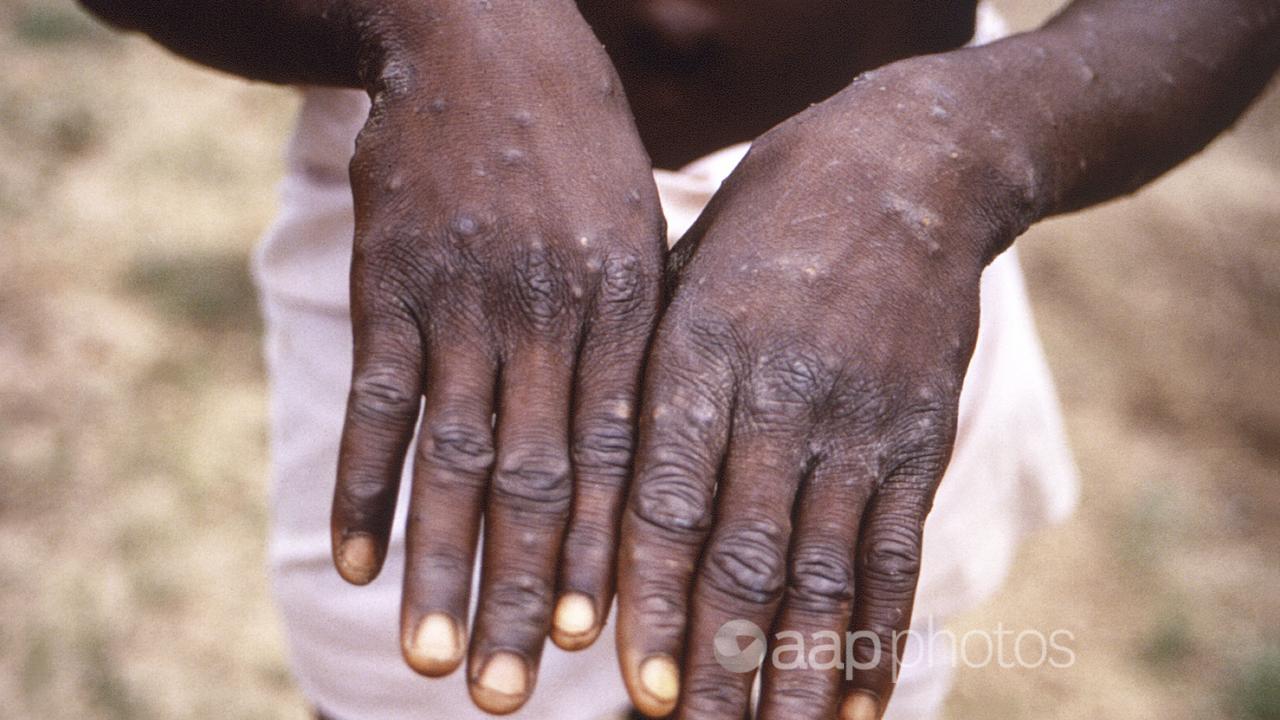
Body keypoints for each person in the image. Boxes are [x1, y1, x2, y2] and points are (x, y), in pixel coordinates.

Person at [78, 1, 1280, 718]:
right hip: (456, 197)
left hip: (885, 257)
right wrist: (435, 17)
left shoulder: (931, 183)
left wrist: (962, 149)